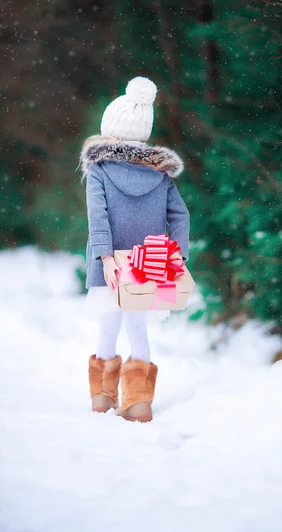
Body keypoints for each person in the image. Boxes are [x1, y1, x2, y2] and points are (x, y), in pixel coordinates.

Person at [80, 76, 190, 422]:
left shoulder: (99, 169)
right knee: (137, 327)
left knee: (109, 325)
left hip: (109, 262)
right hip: (148, 262)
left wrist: (106, 256)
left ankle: (102, 398)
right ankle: (139, 403)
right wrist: (176, 256)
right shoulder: (160, 173)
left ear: (111, 129)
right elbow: (180, 216)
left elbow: (98, 215)